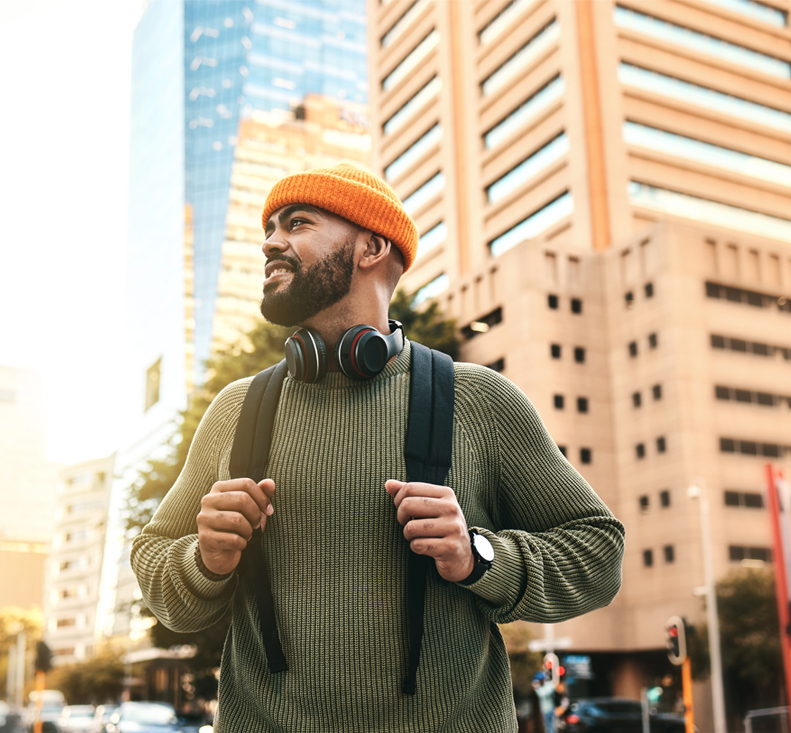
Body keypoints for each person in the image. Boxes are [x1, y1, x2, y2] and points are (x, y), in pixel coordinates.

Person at [130, 163, 624, 732]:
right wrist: (205, 559)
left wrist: (476, 556)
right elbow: (156, 564)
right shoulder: (236, 409)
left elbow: (599, 553)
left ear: (371, 247)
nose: (270, 243)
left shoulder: (480, 401)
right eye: (269, 228)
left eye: (297, 223)